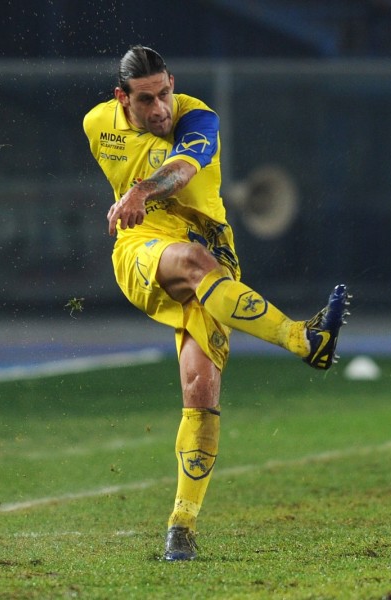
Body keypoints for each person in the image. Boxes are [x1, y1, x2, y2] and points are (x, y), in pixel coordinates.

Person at [82, 46, 350, 561]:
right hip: (142, 249)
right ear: (122, 99)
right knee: (190, 261)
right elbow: (132, 169)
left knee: (201, 391)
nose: (160, 107)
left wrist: (140, 190)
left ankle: (180, 529)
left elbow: (183, 168)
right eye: (146, 99)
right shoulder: (97, 124)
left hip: (212, 253)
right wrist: (135, 202)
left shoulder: (198, 116)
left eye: (164, 92)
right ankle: (303, 338)